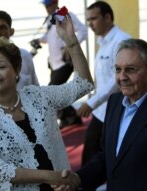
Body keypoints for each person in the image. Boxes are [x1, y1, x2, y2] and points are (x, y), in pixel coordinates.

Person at [0, 13, 93, 191]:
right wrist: (50, 176)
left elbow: (83, 85)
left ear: (16, 70)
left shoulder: (37, 97)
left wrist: (71, 41)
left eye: (0, 67)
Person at [56, 38, 147, 191]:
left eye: (130, 69)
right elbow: (107, 157)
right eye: (118, 69)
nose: (122, 77)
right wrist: (78, 178)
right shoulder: (115, 102)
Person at [77, 1, 131, 166]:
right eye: (88, 20)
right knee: (94, 152)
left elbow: (117, 79)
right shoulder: (103, 42)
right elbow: (102, 79)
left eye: (93, 19)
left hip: (118, 109)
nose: (90, 24)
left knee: (106, 153)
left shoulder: (122, 41)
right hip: (102, 110)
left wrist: (92, 102)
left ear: (107, 17)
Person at [37, 0, 88, 128]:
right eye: (45, 5)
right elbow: (51, 37)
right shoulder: (51, 18)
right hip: (54, 63)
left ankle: (68, 115)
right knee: (57, 91)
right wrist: (38, 40)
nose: (47, 8)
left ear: (56, 3)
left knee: (51, 91)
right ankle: (69, 117)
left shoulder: (63, 14)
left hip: (64, 62)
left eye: (49, 5)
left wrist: (69, 46)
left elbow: (83, 31)